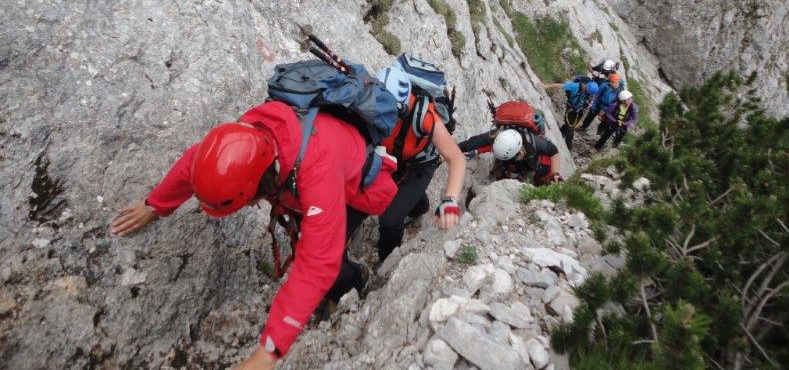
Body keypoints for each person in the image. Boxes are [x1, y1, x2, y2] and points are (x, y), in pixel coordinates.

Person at [109, 100, 399, 369]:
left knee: (330, 261)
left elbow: (317, 262)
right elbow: (195, 162)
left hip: (358, 190)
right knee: (314, 247)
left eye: (246, 202)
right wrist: (154, 205)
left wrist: (267, 352)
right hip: (311, 180)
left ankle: (356, 278)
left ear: (259, 189)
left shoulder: (316, 173)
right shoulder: (248, 140)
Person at [324, 65, 466, 305]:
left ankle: (388, 262)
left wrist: (450, 200)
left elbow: (456, 158)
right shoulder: (369, 104)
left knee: (390, 219)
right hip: (388, 158)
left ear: (404, 107)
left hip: (420, 166)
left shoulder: (425, 116)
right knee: (357, 207)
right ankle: (416, 204)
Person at [460, 126, 562, 185]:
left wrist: (555, 174)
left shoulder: (535, 143)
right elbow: (473, 143)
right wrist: (474, 151)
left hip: (528, 164)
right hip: (510, 160)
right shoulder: (496, 135)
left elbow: (554, 152)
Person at [542, 77, 600, 150]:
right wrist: (546, 86)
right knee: (570, 130)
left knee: (569, 126)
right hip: (571, 111)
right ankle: (568, 147)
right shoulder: (575, 86)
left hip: (579, 111)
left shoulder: (589, 92)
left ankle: (560, 133)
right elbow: (560, 85)